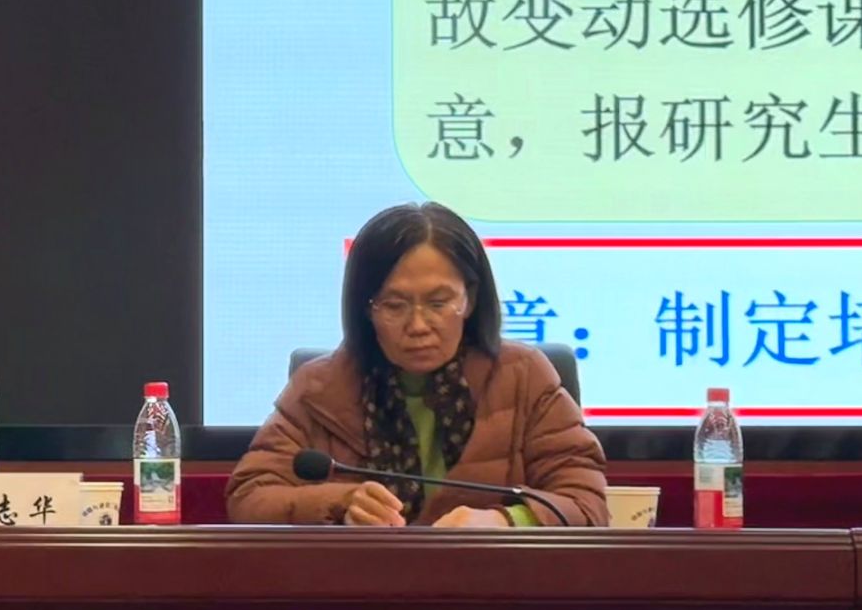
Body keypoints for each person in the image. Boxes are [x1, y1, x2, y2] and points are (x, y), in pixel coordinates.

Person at [227, 202, 606, 527]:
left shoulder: (523, 377)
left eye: (439, 303)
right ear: (366, 308)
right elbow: (249, 496)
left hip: (492, 582)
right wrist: (341, 503)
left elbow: (585, 503)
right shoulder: (321, 388)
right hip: (361, 584)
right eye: (394, 306)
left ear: (470, 299)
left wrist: (502, 521)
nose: (419, 325)